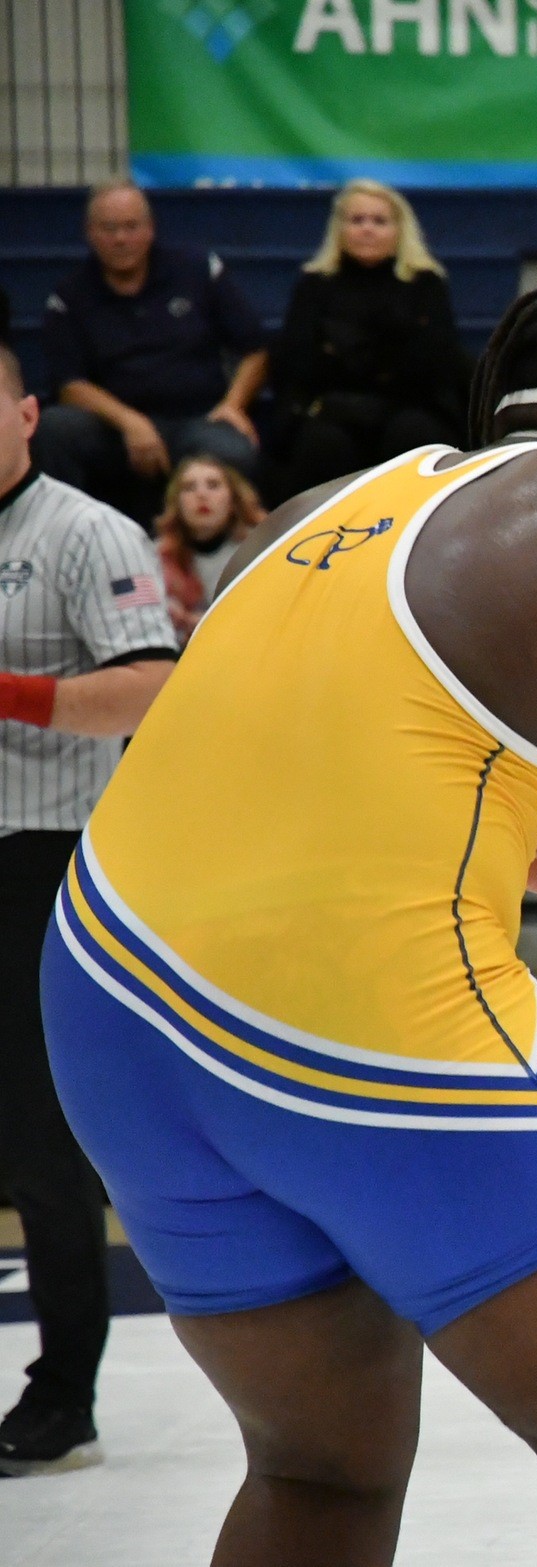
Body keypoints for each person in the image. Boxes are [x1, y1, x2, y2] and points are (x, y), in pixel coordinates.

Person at [38, 279, 537, 1560]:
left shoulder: (326, 501)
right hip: (350, 1018)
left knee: (318, 1468)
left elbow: (262, 754)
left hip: (110, 993)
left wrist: (521, 836)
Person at [0, 341, 180, 1476]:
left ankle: (65, 1386)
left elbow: (153, 687)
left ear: (24, 414)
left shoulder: (85, 532)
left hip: (44, 858)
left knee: (36, 1138)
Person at [34, 180, 269, 518]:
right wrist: (130, 422)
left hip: (197, 419)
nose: (121, 238)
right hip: (113, 428)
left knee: (233, 450)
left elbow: (256, 349)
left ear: (150, 228)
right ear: (89, 233)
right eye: (109, 228)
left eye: (131, 227)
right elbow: (70, 385)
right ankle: (67, 538)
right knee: (54, 428)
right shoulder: (70, 295)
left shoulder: (198, 269)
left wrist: (233, 405)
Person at [270, 179, 470, 498]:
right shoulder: (314, 284)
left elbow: (434, 362)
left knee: (414, 437)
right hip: (335, 409)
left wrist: (343, 351)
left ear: (399, 230)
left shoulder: (427, 283)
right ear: (340, 229)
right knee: (323, 443)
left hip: (411, 408)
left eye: (379, 221)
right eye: (357, 220)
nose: (367, 229)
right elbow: (299, 361)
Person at [153, 454, 266, 641]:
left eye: (213, 485)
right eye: (189, 488)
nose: (202, 495)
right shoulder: (155, 556)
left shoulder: (259, 550)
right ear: (177, 503)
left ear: (233, 500)